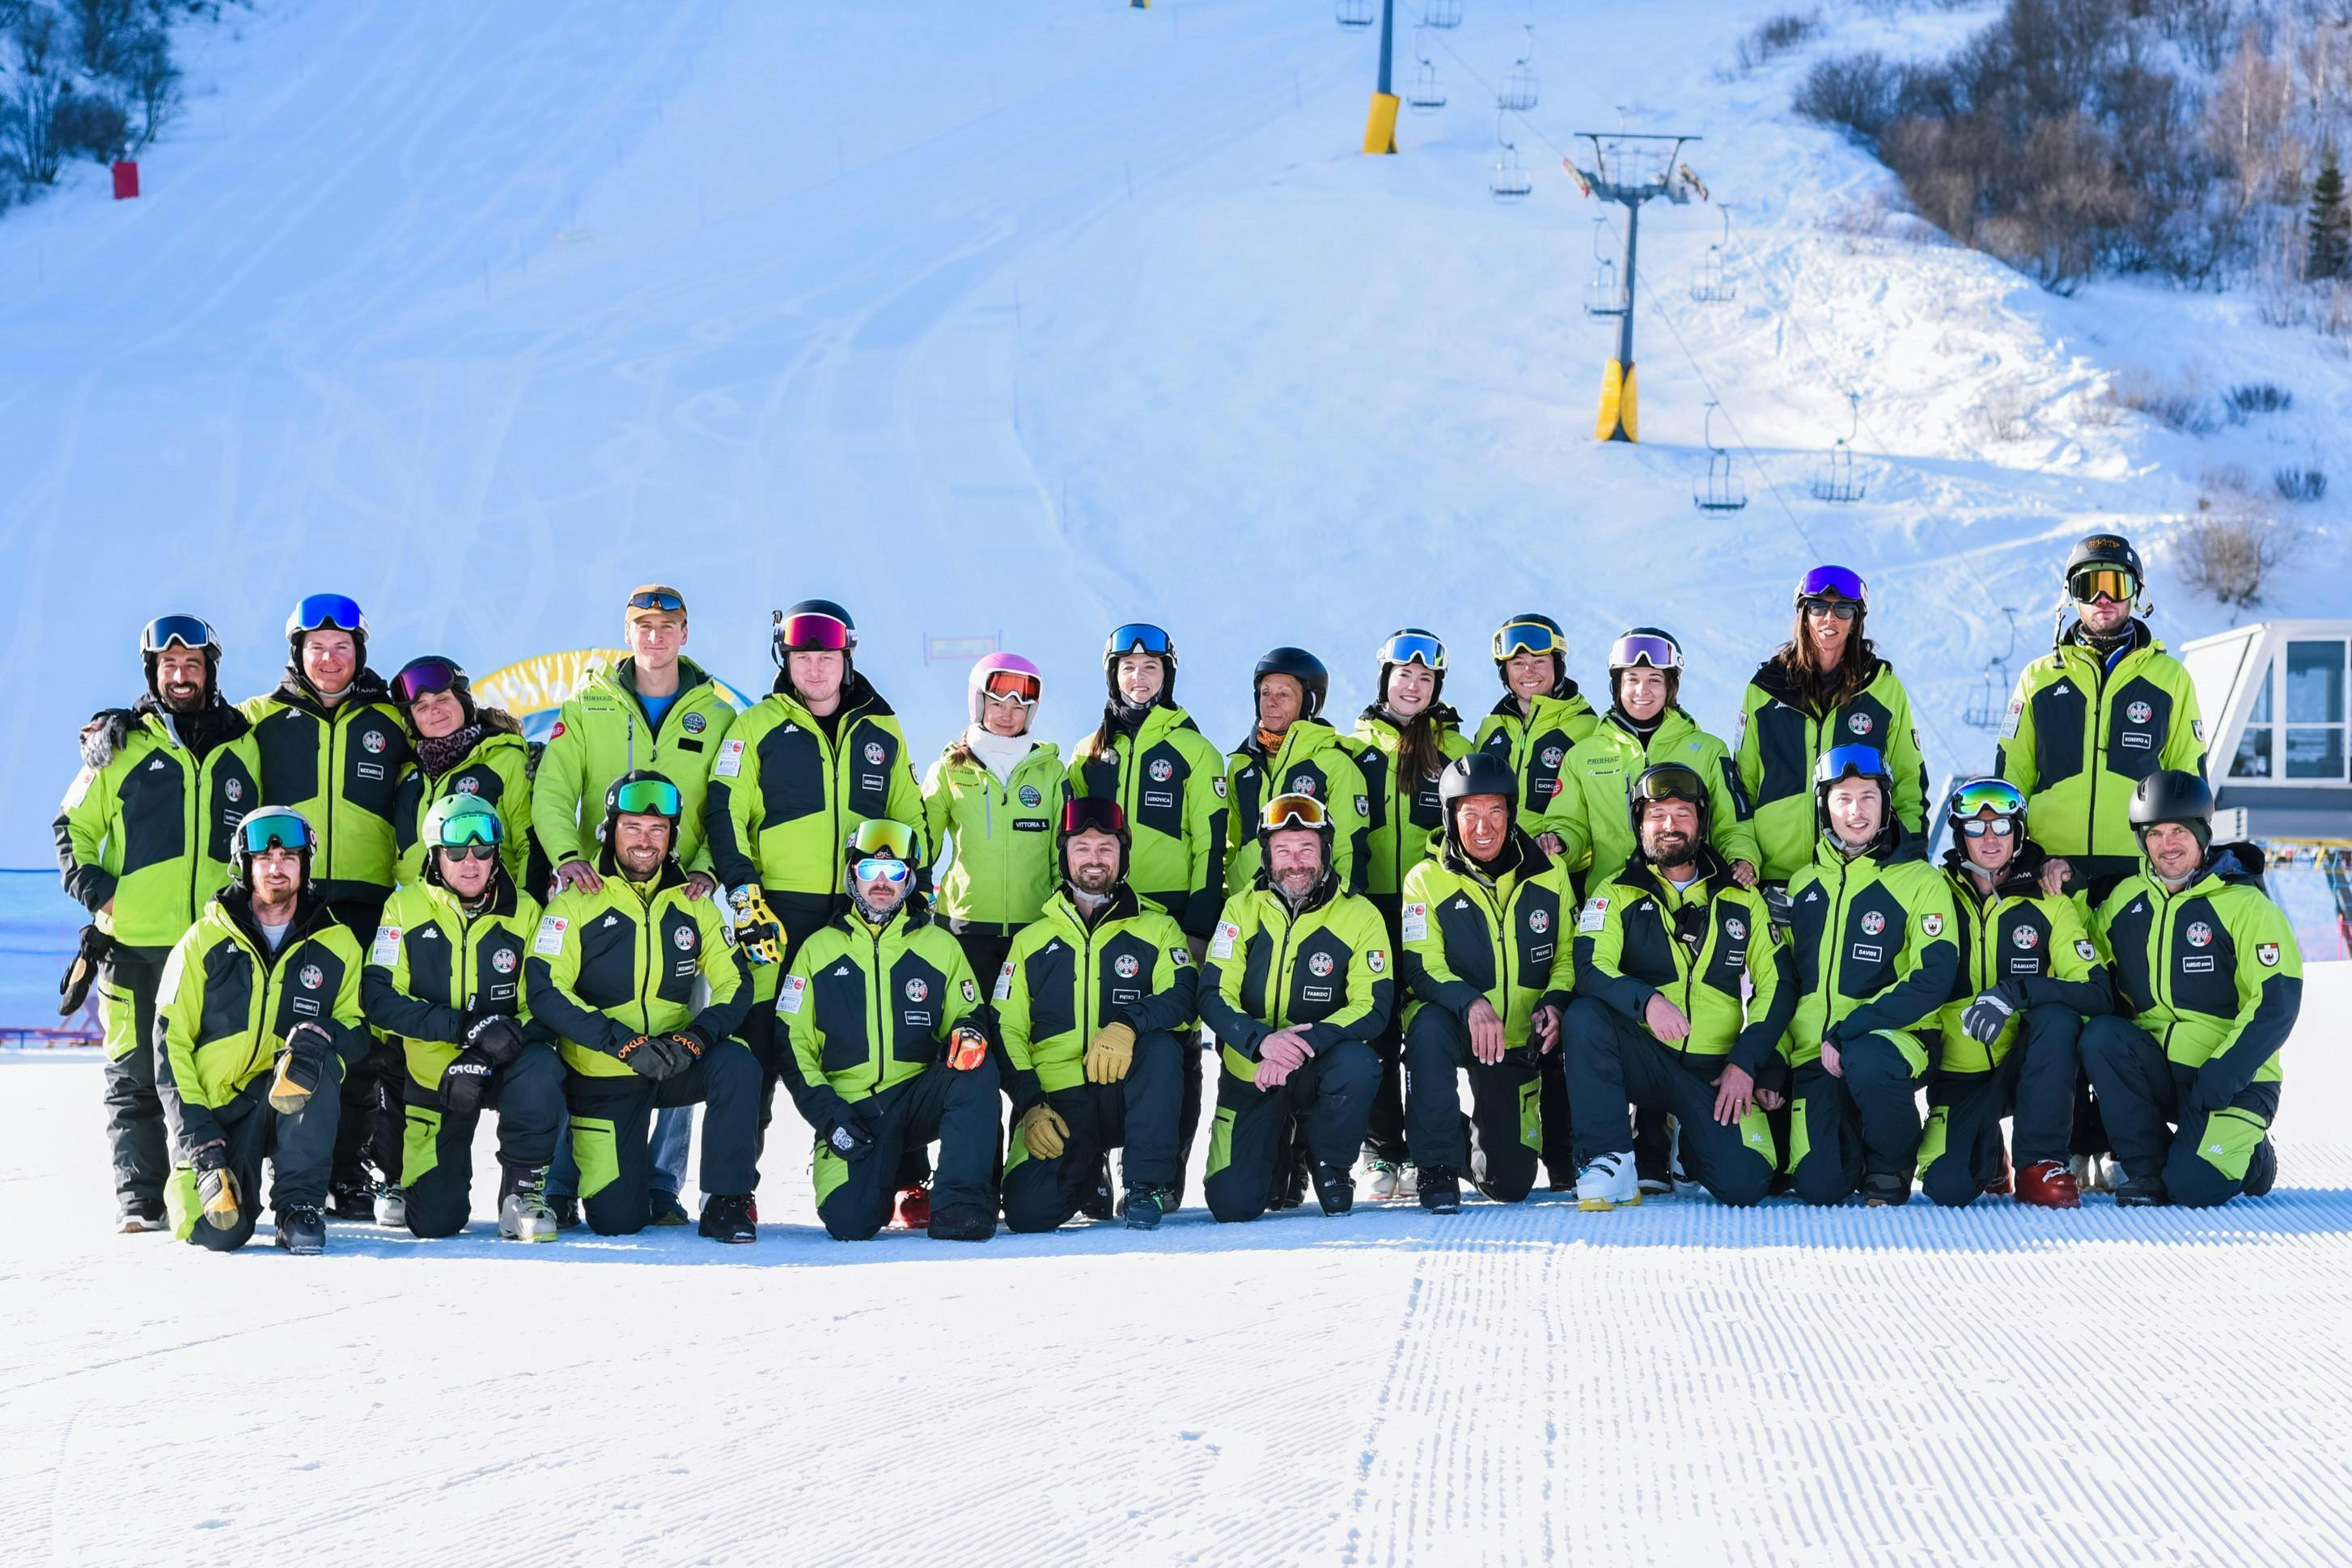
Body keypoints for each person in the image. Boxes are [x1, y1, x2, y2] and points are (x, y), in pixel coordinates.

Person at [705, 598, 930, 1220]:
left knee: (886, 1041)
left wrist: (922, 883)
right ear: (785, 659)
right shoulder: (755, 728)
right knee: (755, 1046)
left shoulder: (881, 729)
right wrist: (745, 895)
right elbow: (725, 811)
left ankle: (910, 1179)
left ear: (846, 658)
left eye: (826, 656)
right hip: (777, 914)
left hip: (866, 913)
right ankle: (731, 1192)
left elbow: (911, 814)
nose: (814, 668)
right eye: (802, 656)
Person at [532, 586, 738, 1229]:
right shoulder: (589, 705)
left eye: (667, 625)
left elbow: (726, 803)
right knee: (584, 1033)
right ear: (627, 633)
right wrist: (568, 856)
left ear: (685, 634)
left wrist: (704, 868)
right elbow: (553, 791)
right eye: (643, 625)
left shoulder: (717, 714)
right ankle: (564, 1180)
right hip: (601, 894)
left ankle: (661, 1181)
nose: (655, 636)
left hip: (683, 897)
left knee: (684, 1027)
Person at [54, 615, 260, 1231]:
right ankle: (141, 1200)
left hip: (213, 941)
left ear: (210, 671)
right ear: (153, 673)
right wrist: (102, 895)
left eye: (192, 665)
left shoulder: (242, 742)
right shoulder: (119, 744)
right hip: (134, 943)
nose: (180, 676)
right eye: (168, 666)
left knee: (212, 1072)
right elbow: (73, 829)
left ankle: (210, 1192)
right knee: (135, 1072)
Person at [524, 772, 764, 1242]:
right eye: (632, 827)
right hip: (604, 1072)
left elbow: (736, 981)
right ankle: (572, 1179)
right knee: (618, 1221)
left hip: (672, 1059)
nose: (645, 842)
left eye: (658, 830)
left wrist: (694, 1039)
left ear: (673, 837)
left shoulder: (694, 902)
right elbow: (545, 990)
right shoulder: (575, 902)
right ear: (610, 828)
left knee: (737, 1062)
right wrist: (623, 1044)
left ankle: (726, 1202)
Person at [238, 593, 414, 1223]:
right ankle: (260, 1165)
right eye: (317, 648)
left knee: (363, 1042)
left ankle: (352, 1172)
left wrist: (499, 723)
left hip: (368, 902)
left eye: (343, 648)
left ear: (359, 652)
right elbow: (195, 735)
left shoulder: (392, 717)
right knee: (278, 1032)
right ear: (297, 653)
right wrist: (118, 718)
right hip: (290, 897)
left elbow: (452, 732)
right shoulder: (260, 716)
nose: (330, 659)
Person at [1566, 763, 1792, 1210]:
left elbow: (1777, 985)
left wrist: (1748, 1062)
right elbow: (1591, 967)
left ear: (1701, 822)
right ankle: (1610, 1158)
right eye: (1657, 814)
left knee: (1746, 1183)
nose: (1670, 825)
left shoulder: (1742, 897)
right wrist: (1646, 1002)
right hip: (1646, 1059)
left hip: (1715, 1071)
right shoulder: (1614, 893)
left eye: (1682, 813)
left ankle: (1691, 1146)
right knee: (1584, 1017)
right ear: (1640, 825)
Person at [152, 807, 367, 1255]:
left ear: (305, 865)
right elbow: (168, 1043)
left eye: (289, 857)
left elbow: (358, 1028)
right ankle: (198, 1173)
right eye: (264, 859)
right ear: (245, 865)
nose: (276, 868)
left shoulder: (338, 942)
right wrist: (199, 1140)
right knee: (218, 1231)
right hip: (218, 1115)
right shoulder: (201, 941)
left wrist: (327, 1033)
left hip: (285, 1096)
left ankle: (299, 1207)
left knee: (316, 1055)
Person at [775, 819, 1002, 1242]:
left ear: (909, 880)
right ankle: (880, 1176)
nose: (881, 882)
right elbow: (793, 1043)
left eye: (895, 872)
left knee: (976, 1066)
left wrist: (969, 1032)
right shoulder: (817, 949)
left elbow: (968, 1011)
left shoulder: (938, 945)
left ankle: (961, 1205)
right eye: (868, 871)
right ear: (851, 877)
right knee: (850, 1222)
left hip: (919, 1096)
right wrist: (830, 1117)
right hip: (855, 1110)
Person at [2082, 772, 2300, 1208]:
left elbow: (2275, 1004)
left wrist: (2224, 1073)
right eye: (2155, 834)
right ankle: (2145, 1170)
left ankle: (2256, 1160)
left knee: (2193, 1188)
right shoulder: (2126, 899)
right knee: (2102, 1036)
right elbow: (2085, 958)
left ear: (2203, 833)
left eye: (2180, 830)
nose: (2168, 845)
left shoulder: (2245, 905)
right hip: (2163, 1071)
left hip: (2233, 1079)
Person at [1069, 622, 1231, 1209]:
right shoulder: (1088, 753)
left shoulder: (1193, 750)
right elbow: (1063, 848)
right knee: (1094, 1027)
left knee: (1171, 1043)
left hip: (1170, 918)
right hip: (1101, 913)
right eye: (1129, 669)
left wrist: (1197, 926)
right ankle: (1092, 1167)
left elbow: (1212, 847)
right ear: (1113, 674)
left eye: (1152, 669)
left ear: (1168, 677)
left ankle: (1159, 1176)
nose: (1140, 679)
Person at [362, 796, 564, 1241]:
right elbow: (379, 997)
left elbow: (546, 1005)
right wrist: (463, 1027)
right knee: (433, 1221)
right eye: (456, 851)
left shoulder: (526, 911)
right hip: (436, 1074)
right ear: (436, 855)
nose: (470, 862)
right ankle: (403, 1177)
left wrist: (487, 1051)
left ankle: (522, 1195)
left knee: (542, 1066)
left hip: (504, 1064)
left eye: (483, 851)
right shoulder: (404, 908)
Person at [995, 799, 1197, 1231]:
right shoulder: (1032, 940)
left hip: (1129, 1090)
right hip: (1059, 1097)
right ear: (1064, 855)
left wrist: (1128, 1023)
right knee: (1028, 1213)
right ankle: (1086, 1174)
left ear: (1123, 855)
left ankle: (1145, 1184)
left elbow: (1183, 995)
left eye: (1106, 848)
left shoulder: (1157, 928)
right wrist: (1030, 1103)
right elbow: (1006, 1026)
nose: (1094, 859)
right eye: (1082, 848)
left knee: (1162, 1047)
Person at [1197, 794, 1392, 1223]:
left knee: (1358, 1064)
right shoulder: (1240, 908)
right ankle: (1281, 1151)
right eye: (1283, 850)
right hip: (1255, 1070)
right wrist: (1262, 1042)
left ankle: (1329, 1162)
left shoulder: (1360, 914)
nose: (1296, 862)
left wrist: (1300, 1045)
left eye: (1307, 848)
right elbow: (1212, 994)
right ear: (1267, 855)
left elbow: (1373, 1006)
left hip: (1318, 1067)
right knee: (1233, 1205)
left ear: (1325, 850)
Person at [1396, 754, 1577, 1213]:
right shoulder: (1425, 879)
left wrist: (1555, 1001)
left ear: (1511, 813)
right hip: (1458, 1024)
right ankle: (1434, 1162)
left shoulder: (1549, 872)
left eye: (1495, 811)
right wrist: (1470, 1002)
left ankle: (1455, 1129)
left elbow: (1570, 953)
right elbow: (1422, 965)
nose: (1483, 827)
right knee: (1427, 1026)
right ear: (1450, 817)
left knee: (1508, 1182)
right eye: (1469, 813)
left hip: (1515, 1038)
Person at [1779, 746, 1958, 1206]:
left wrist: (1850, 1028)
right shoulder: (1803, 885)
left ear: (1886, 803)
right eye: (1843, 798)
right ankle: (1851, 1142)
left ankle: (1891, 1163)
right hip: (1813, 1054)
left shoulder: (1919, 880)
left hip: (1895, 1041)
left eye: (1867, 797)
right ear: (1825, 806)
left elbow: (1933, 977)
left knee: (1868, 1059)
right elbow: (1781, 985)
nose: (1856, 811)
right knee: (1820, 1186)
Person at [1924, 778, 2111, 1210]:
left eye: (2002, 826)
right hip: (1959, 1069)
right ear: (1959, 834)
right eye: (1976, 828)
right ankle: (1988, 1150)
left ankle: (2038, 1162)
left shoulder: (2048, 901)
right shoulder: (1934, 894)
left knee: (2057, 1018)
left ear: (2019, 832)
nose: (1990, 839)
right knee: (1947, 1187)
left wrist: (2015, 992)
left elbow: (2096, 992)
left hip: (2026, 1063)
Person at [1996, 533, 2206, 899]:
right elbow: (2011, 781)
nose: (2103, 599)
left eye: (2116, 585)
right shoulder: (2038, 678)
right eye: (2088, 586)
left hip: (2138, 872)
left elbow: (2189, 781)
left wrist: (2179, 866)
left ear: (2136, 594)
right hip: (2051, 872)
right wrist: (2025, 859)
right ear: (2071, 596)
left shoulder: (2170, 678)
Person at [1347, 629, 1473, 1198]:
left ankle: (1431, 1150)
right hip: (1368, 904)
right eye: (1404, 676)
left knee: (1424, 1028)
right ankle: (1380, 1152)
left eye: (1425, 679)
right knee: (1375, 1027)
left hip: (1430, 903)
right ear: (1384, 680)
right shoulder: (1352, 748)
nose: (1413, 686)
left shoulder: (1453, 750)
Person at [1734, 568, 1930, 889]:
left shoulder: (1881, 689)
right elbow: (1743, 788)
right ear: (1804, 615)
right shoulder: (1765, 691)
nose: (1830, 619)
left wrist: (1908, 856)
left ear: (1856, 621)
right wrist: (1744, 855)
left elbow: (1908, 781)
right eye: (1818, 608)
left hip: (1856, 873)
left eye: (1842, 610)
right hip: (1775, 872)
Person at [1555, 629, 1757, 894]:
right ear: (1618, 685)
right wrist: (1559, 843)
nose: (1642, 690)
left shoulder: (1708, 749)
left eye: (1654, 680)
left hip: (1690, 898)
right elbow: (1571, 825)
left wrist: (1742, 858)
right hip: (1612, 896)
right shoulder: (1584, 755)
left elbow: (1732, 823)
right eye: (1632, 679)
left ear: (1670, 686)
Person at [921, 653, 1066, 985]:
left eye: (1018, 707)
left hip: (1035, 927)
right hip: (964, 925)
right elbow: (922, 843)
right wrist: (915, 899)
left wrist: (1063, 912)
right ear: (979, 703)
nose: (1007, 715)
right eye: (997, 703)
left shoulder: (1050, 771)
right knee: (967, 1029)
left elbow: (1064, 851)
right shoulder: (950, 770)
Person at [1223, 646, 1371, 896]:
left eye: (1284, 695)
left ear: (1309, 703)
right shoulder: (1241, 765)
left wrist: (1343, 905)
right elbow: (1231, 844)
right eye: (1265, 693)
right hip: (1248, 903)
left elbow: (1349, 848)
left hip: (1313, 903)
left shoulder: (1334, 764)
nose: (1271, 702)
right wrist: (1228, 896)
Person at [388, 655, 534, 890]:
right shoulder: (406, 773)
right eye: (422, 707)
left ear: (464, 702)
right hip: (421, 917)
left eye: (443, 700)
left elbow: (531, 846)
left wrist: (526, 910)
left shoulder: (506, 760)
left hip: (494, 913)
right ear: (413, 720)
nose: (434, 711)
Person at [1471, 613, 1598, 854]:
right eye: (1518, 663)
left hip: (1560, 869)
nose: (1528, 671)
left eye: (1539, 661)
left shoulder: (1588, 728)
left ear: (1558, 667)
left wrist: (1563, 844)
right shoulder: (1490, 727)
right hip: (1497, 867)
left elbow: (1600, 813)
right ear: (1505, 672)